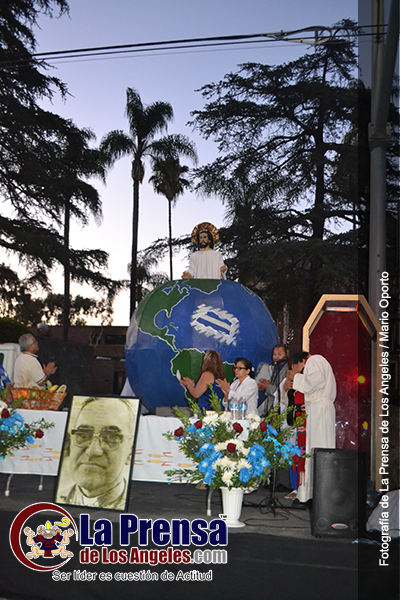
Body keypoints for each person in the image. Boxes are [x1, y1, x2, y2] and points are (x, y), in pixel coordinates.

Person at [57, 397, 137, 510]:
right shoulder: (59, 498)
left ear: (130, 451)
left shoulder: (137, 507)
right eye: (83, 435)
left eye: (110, 437)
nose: (93, 451)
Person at [285, 351, 336, 503]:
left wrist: (295, 377)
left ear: (301, 361)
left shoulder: (315, 360)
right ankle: (308, 495)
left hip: (320, 411)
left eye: (295, 367)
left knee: (318, 449)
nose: (296, 370)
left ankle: (320, 496)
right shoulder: (314, 362)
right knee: (310, 452)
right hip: (315, 409)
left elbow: (313, 382)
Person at [256, 344, 289, 417]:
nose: (276, 357)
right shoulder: (274, 368)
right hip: (271, 406)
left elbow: (281, 390)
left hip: (281, 407)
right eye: (274, 354)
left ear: (286, 355)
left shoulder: (287, 370)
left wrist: (267, 386)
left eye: (279, 354)